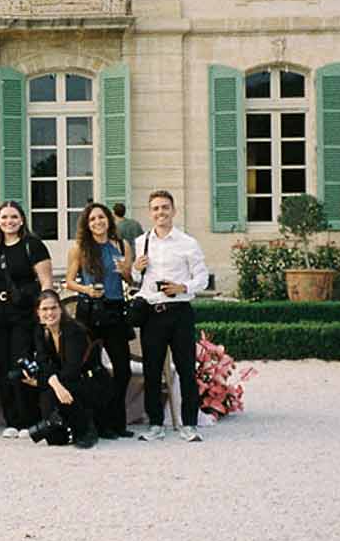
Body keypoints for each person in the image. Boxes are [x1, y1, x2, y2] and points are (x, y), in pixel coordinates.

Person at [132, 190, 209, 443]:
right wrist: (135, 269)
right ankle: (155, 424)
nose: (160, 213)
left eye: (165, 208)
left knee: (187, 369)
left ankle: (189, 424)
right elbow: (137, 281)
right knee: (151, 371)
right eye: (155, 208)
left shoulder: (188, 242)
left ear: (174, 211)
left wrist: (182, 287)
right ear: (149, 212)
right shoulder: (141, 241)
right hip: (153, 314)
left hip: (179, 313)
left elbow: (202, 278)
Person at [0, 200, 52, 437]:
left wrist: (46, 314)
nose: (8, 221)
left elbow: (46, 283)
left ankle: (28, 419)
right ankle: (11, 420)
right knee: (2, 365)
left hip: (24, 314)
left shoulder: (33, 245)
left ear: (22, 219)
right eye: (4, 217)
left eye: (13, 217)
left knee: (21, 364)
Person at [64, 200, 134, 437]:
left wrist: (125, 270)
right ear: (87, 224)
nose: (97, 222)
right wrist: (86, 290)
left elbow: (130, 280)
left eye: (101, 217)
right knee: (90, 369)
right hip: (90, 311)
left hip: (115, 310)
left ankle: (117, 422)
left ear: (109, 220)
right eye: (92, 219)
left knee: (122, 369)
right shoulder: (79, 248)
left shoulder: (121, 244)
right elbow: (69, 281)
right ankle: (96, 423)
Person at [21, 289, 98, 448]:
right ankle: (59, 428)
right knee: (56, 440)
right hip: (62, 380)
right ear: (38, 312)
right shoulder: (41, 331)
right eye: (45, 309)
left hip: (88, 380)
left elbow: (73, 369)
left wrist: (45, 383)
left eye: (53, 308)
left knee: (55, 390)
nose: (49, 313)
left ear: (61, 309)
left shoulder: (73, 330)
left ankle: (86, 429)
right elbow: (43, 362)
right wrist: (55, 384)